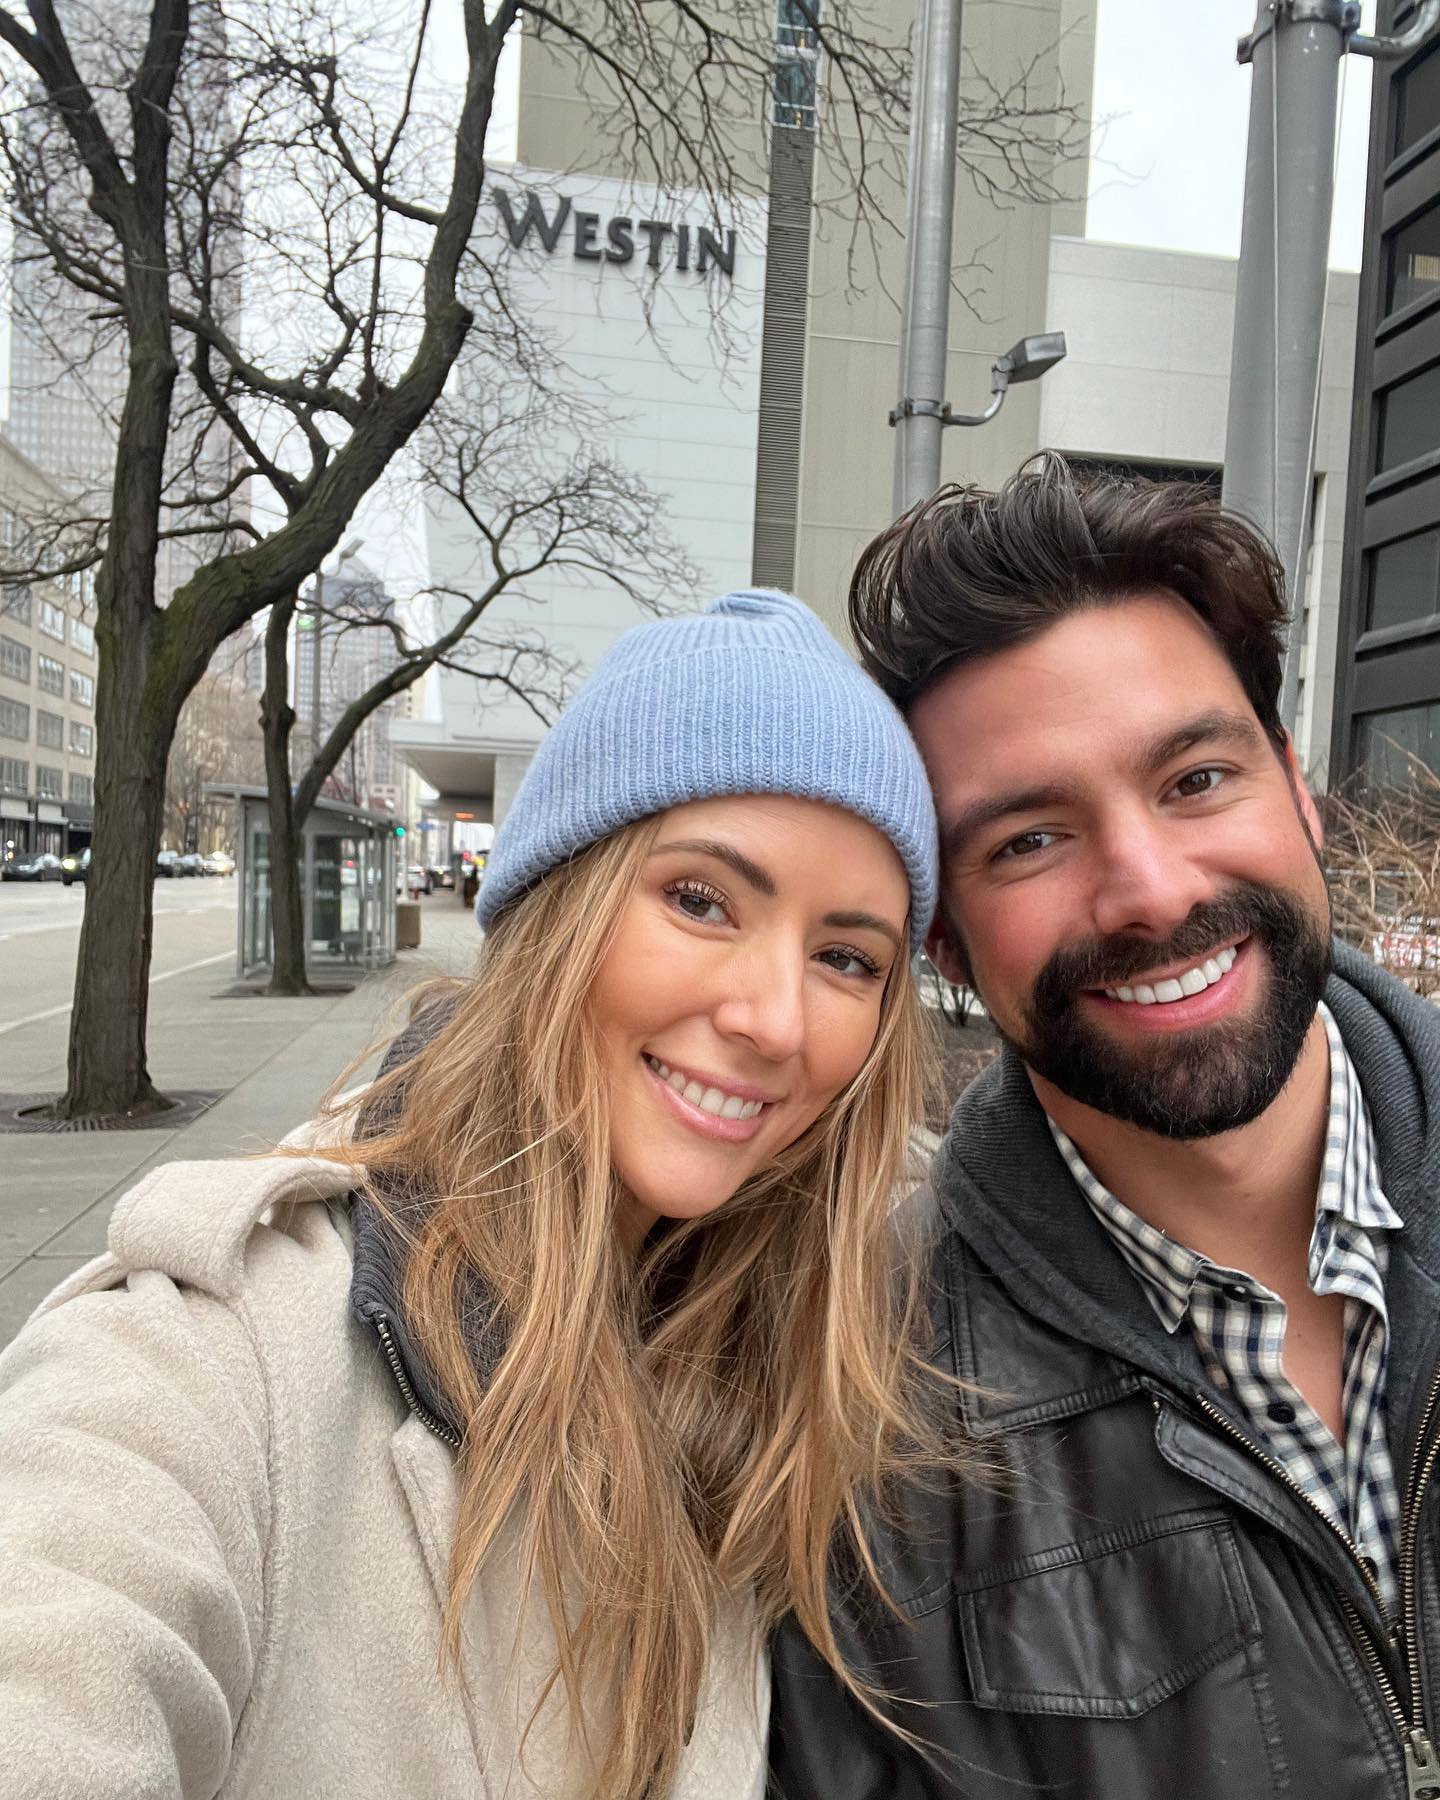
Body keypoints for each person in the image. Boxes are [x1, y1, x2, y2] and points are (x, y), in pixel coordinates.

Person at [0, 589, 956, 1800]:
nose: (774, 1020)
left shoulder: (833, 1318)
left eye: (845, 958)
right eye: (700, 900)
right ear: (558, 907)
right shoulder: (210, 1365)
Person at [767, 455, 1440, 1800]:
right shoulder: (864, 1425)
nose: (1148, 890)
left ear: (1297, 788)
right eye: (1028, 840)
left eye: (1197, 778)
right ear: (944, 942)